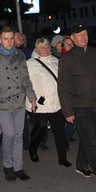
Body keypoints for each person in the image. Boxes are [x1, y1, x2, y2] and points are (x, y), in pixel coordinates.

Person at [57, 24, 96, 187]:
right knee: (93, 140)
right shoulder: (67, 59)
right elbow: (63, 87)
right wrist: (67, 111)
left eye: (85, 34)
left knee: (90, 137)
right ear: (72, 38)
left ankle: (82, 164)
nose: (83, 37)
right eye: (79, 34)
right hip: (79, 105)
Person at [0, 27, 36, 181]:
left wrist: (32, 97)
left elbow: (25, 78)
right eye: (6, 39)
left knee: (19, 136)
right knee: (9, 134)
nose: (9, 42)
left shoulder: (19, 55)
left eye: (12, 38)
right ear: (0, 40)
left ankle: (18, 167)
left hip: (18, 99)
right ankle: (8, 166)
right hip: (3, 101)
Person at [26, 37, 70, 167]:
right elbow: (27, 83)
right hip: (41, 103)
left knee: (59, 131)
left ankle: (62, 158)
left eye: (47, 47)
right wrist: (32, 99)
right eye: (42, 47)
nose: (46, 50)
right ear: (36, 49)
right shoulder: (30, 63)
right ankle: (32, 148)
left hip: (57, 103)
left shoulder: (56, 61)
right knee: (41, 129)